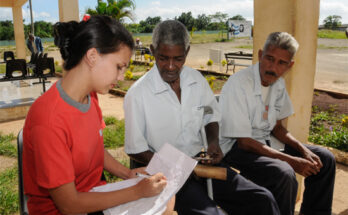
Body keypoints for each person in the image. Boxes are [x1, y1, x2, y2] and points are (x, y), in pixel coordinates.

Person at [124, 20, 280, 215]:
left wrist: (213, 143)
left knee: (262, 200)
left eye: (178, 59)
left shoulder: (196, 80)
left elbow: (210, 116)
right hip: (167, 175)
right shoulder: (137, 94)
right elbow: (135, 149)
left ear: (187, 52)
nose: (171, 66)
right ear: (152, 50)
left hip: (201, 165)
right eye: (163, 58)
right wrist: (176, 166)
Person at [22, 15, 173, 215]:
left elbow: (94, 147)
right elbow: (69, 205)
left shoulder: (89, 96)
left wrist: (128, 173)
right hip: (69, 208)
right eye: (119, 67)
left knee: (167, 194)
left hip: (94, 194)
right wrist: (137, 191)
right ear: (92, 56)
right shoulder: (49, 119)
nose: (121, 77)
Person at [220, 32, 336, 215]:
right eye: (269, 58)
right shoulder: (239, 84)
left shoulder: (278, 84)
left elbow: (278, 128)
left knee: (325, 159)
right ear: (260, 55)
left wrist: (304, 150)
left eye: (281, 63)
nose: (273, 67)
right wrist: (291, 160)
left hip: (266, 141)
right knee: (284, 173)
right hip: (236, 147)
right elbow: (244, 141)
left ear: (290, 66)